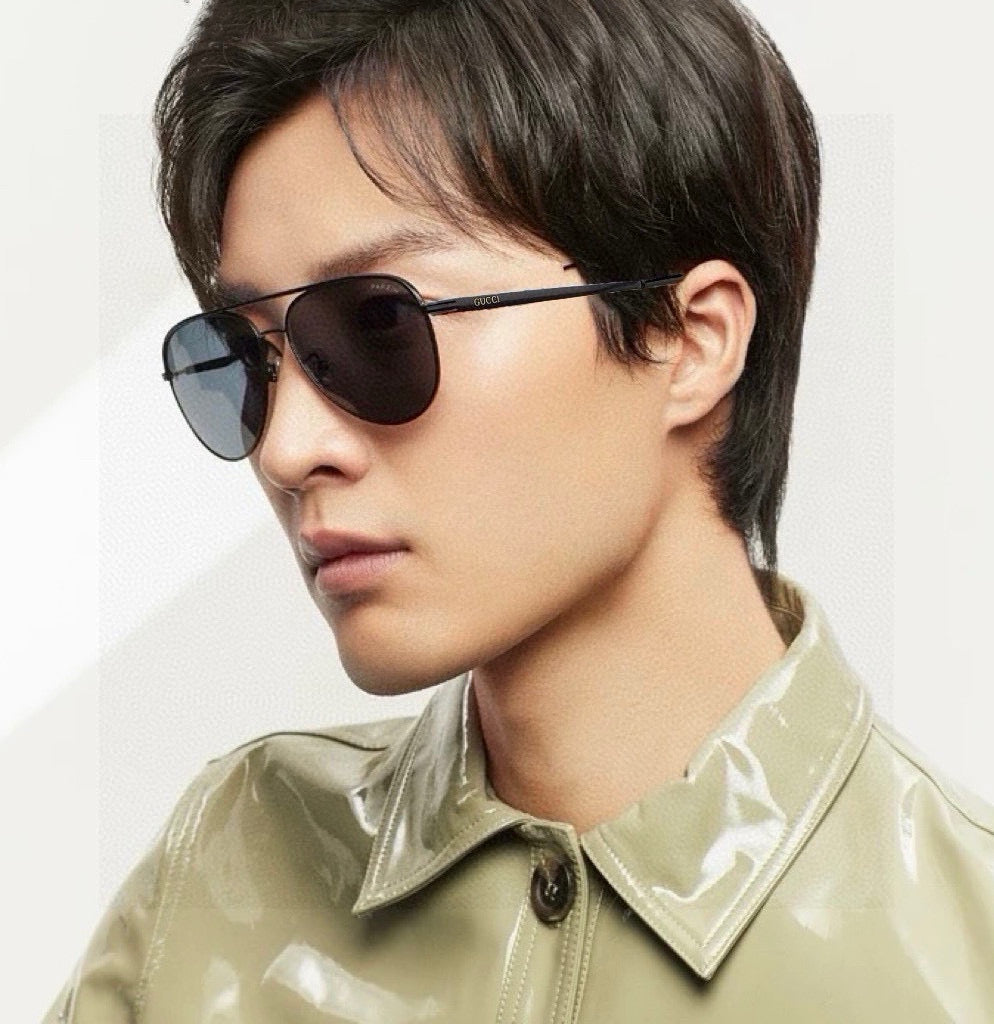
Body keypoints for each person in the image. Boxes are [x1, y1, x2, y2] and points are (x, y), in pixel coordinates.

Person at [44, 0, 994, 1020]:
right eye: (245, 360)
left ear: (689, 339)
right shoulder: (224, 880)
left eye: (379, 324)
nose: (285, 448)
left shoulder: (961, 960)